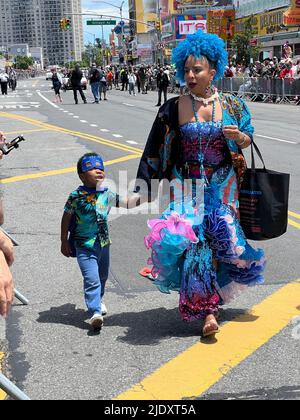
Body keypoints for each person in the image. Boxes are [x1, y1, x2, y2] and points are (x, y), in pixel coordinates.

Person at [135, 30, 265, 338]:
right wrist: (143, 187)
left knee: (223, 244)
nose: (191, 75)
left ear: (213, 70)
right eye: (188, 70)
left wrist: (239, 138)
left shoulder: (232, 105)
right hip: (187, 185)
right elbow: (155, 149)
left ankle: (211, 299)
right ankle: (207, 308)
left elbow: (248, 138)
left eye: (198, 69)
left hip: (224, 184)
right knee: (195, 244)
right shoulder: (173, 107)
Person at [61, 153, 145, 330]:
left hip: (103, 244)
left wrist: (146, 197)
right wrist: (64, 241)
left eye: (101, 168)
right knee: (91, 278)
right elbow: (66, 217)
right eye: (92, 168)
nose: (98, 170)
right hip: (84, 245)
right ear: (82, 176)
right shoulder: (76, 196)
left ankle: (98, 299)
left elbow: (127, 203)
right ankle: (95, 312)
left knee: (102, 276)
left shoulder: (106, 194)